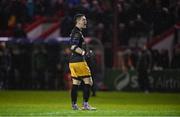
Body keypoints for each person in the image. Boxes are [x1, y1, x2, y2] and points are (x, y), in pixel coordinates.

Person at [69, 14, 96, 110]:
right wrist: (84, 52)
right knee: (88, 81)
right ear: (78, 21)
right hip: (79, 61)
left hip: (72, 62)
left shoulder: (76, 32)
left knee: (75, 83)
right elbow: (73, 47)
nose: (86, 21)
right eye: (83, 19)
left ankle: (74, 105)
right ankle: (85, 105)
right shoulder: (77, 33)